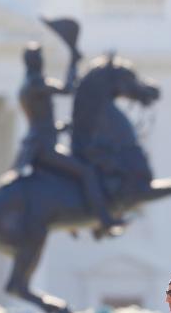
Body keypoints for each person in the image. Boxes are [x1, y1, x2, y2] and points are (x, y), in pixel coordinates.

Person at [13, 42, 123, 235]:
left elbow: (40, 121)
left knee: (71, 173)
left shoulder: (27, 85)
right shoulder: (36, 83)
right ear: (35, 62)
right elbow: (69, 89)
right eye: (39, 58)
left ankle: (76, 219)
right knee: (87, 172)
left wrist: (60, 127)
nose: (41, 62)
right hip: (44, 148)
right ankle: (103, 220)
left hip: (38, 144)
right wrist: (73, 59)